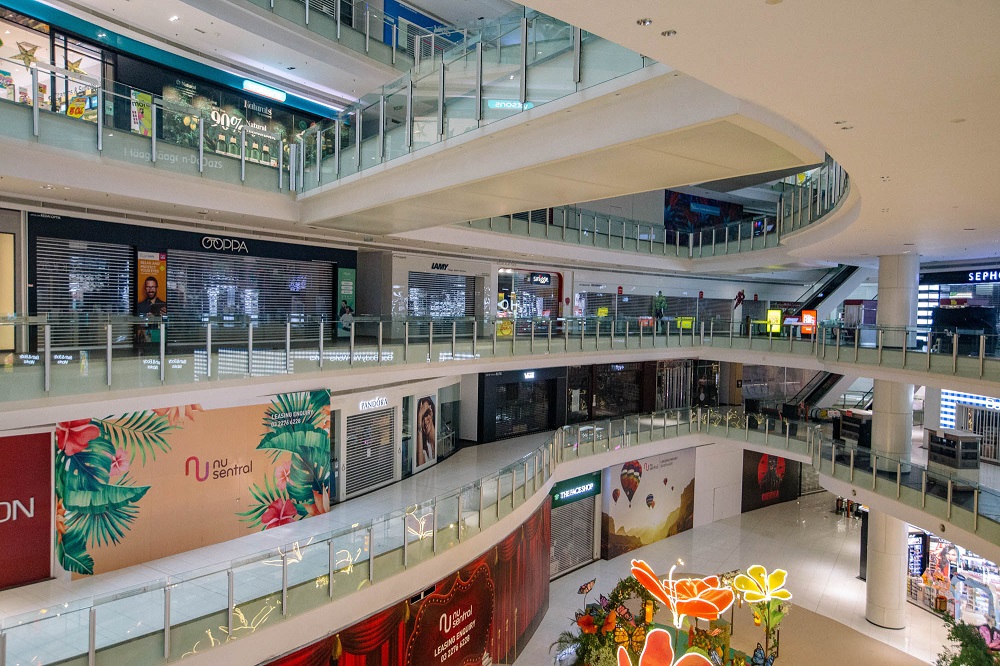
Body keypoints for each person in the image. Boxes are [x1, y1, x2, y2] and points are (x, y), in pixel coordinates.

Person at [416, 396, 436, 466]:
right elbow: (420, 464)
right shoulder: (423, 449)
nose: (424, 420)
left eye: (426, 414)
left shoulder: (438, 441)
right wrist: (419, 416)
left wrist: (431, 419)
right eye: (422, 417)